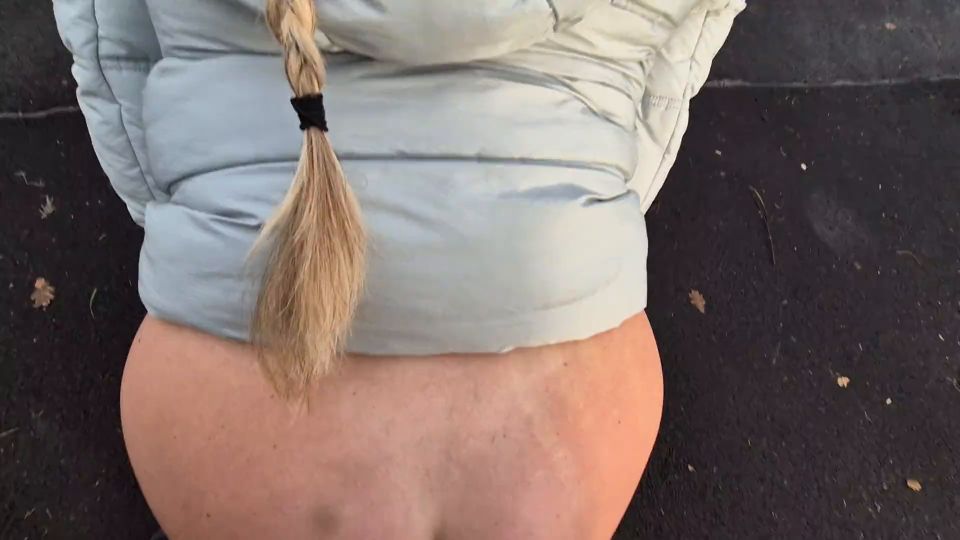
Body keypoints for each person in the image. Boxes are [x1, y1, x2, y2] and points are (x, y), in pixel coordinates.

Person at [54, 0, 742, 537]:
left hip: (221, 412)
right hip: (577, 414)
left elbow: (114, 51)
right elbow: (673, 61)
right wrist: (597, 228)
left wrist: (186, 222)